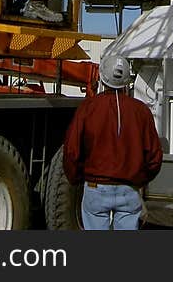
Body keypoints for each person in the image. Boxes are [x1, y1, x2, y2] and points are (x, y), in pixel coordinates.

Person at [62, 54, 163, 230]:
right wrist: (139, 181)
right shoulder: (141, 111)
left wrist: (77, 179)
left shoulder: (88, 108)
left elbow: (72, 150)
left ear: (101, 76)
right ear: (127, 80)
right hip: (129, 189)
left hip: (95, 187)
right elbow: (154, 156)